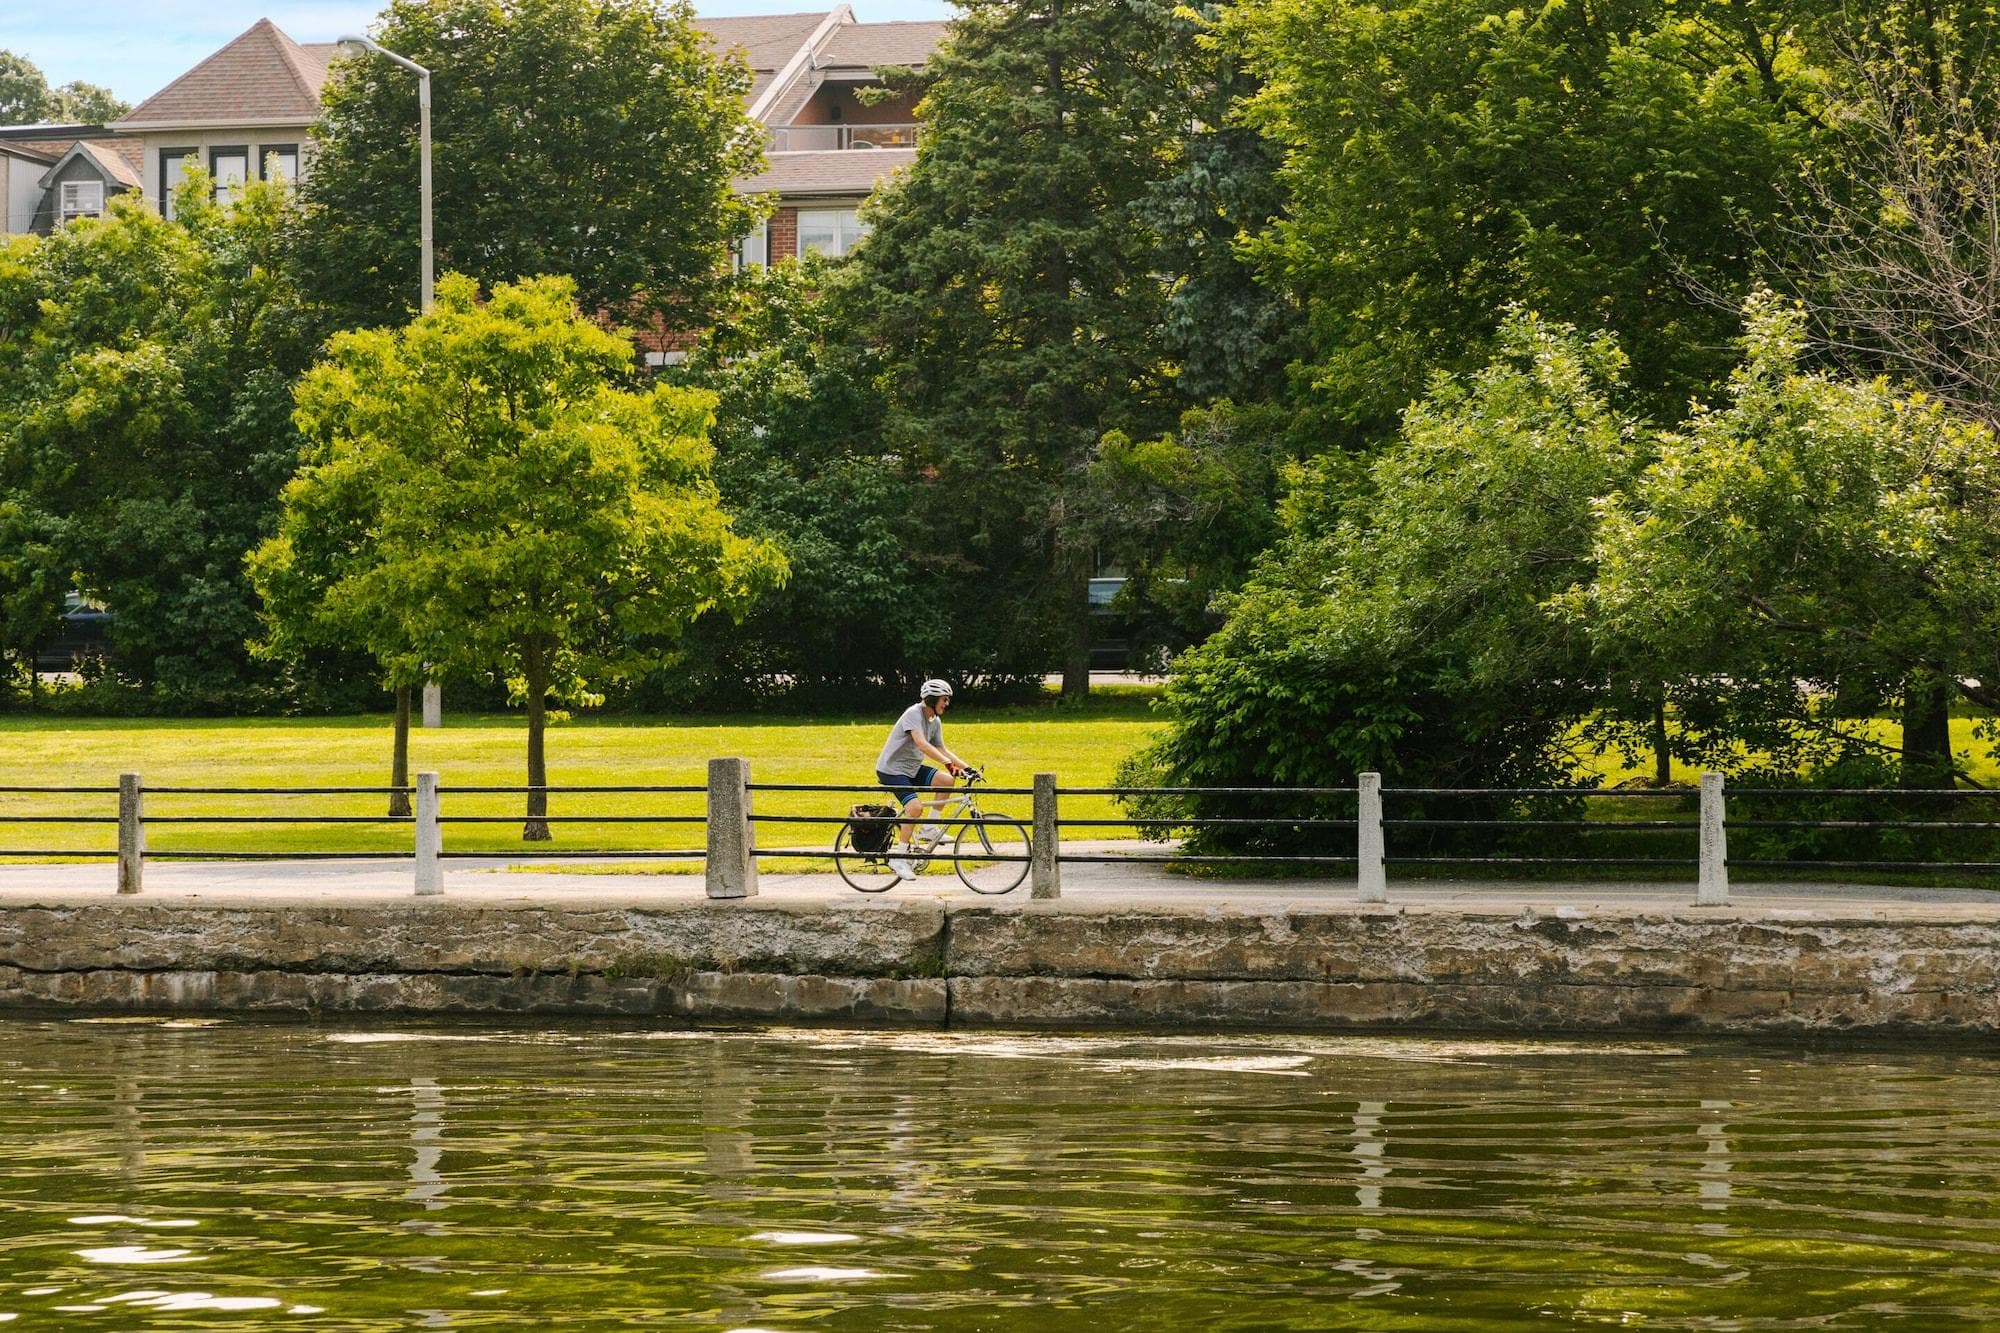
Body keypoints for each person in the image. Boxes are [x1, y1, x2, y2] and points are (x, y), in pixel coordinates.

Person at [875, 679, 971, 880]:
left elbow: (942, 749)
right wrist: (948, 764)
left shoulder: (934, 721)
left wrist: (966, 767)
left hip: (910, 768)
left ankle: (929, 828)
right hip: (892, 769)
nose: (946, 704)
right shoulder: (913, 714)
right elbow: (922, 744)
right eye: (944, 700)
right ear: (933, 699)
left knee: (946, 781)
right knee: (915, 808)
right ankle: (898, 858)